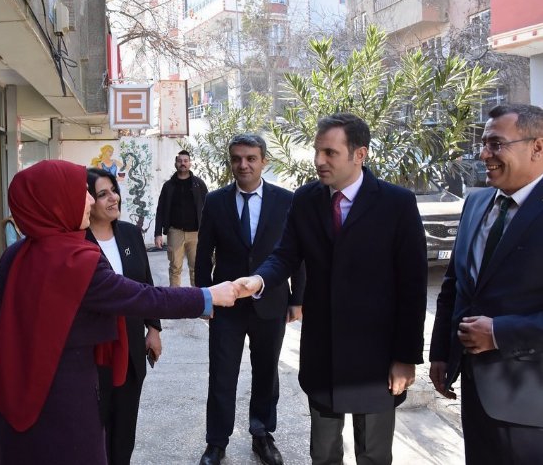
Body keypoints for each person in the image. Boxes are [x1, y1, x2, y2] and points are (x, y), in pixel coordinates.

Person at [0, 159, 242, 465]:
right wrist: (207, 295)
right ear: (55, 202)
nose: (89, 200)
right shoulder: (74, 261)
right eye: (82, 193)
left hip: (14, 389)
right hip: (64, 397)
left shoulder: (15, 255)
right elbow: (143, 297)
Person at [236, 113, 428, 465]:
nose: (319, 161)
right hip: (323, 352)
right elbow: (285, 255)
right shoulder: (306, 199)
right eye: (317, 151)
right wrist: (258, 280)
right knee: (323, 453)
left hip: (377, 357)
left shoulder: (396, 204)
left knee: (373, 455)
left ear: (360, 154)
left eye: (330, 153)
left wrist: (406, 357)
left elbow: (413, 286)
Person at [429, 104, 543, 464]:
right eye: (483, 144)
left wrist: (499, 333)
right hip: (474, 392)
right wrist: (441, 353)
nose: (483, 155)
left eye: (496, 144)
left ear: (537, 147)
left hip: (531, 406)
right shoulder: (476, 203)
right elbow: (454, 286)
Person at [195, 134, 304, 465]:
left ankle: (262, 434)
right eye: (237, 158)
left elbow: (298, 253)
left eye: (251, 158)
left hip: (270, 302)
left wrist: (297, 299)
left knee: (266, 371)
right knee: (222, 374)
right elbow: (203, 253)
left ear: (263, 161)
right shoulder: (215, 201)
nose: (243, 165)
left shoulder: (286, 200)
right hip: (226, 305)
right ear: (231, 162)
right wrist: (204, 298)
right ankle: (216, 442)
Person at [85, 167, 161, 465]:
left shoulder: (129, 233)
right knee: (95, 428)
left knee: (125, 428)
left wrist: (153, 329)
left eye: (114, 191)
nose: (113, 198)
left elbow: (146, 285)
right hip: (94, 351)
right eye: (103, 194)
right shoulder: (77, 240)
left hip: (130, 347)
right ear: (87, 201)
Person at [154, 150, 208, 286]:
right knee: (175, 268)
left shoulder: (199, 184)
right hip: (175, 232)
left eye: (185, 161)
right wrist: (157, 233)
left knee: (196, 268)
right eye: (179, 161)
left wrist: (209, 232)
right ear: (175, 163)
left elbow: (208, 208)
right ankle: (175, 297)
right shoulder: (168, 186)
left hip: (195, 233)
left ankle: (197, 296)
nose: (182, 163)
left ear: (190, 163)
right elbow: (160, 210)